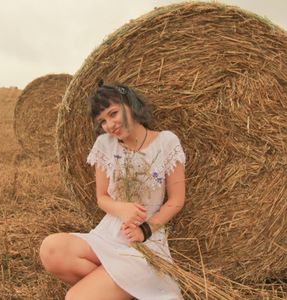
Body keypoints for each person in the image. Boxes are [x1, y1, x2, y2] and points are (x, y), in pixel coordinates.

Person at [39, 81, 186, 300]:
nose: (109, 125)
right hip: (109, 232)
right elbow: (102, 197)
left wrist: (144, 230)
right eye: (102, 121)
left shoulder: (166, 142)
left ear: (130, 104)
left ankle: (117, 287)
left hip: (144, 239)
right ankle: (122, 288)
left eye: (113, 113)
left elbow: (176, 200)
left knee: (75, 297)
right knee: (50, 249)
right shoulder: (105, 144)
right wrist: (121, 209)